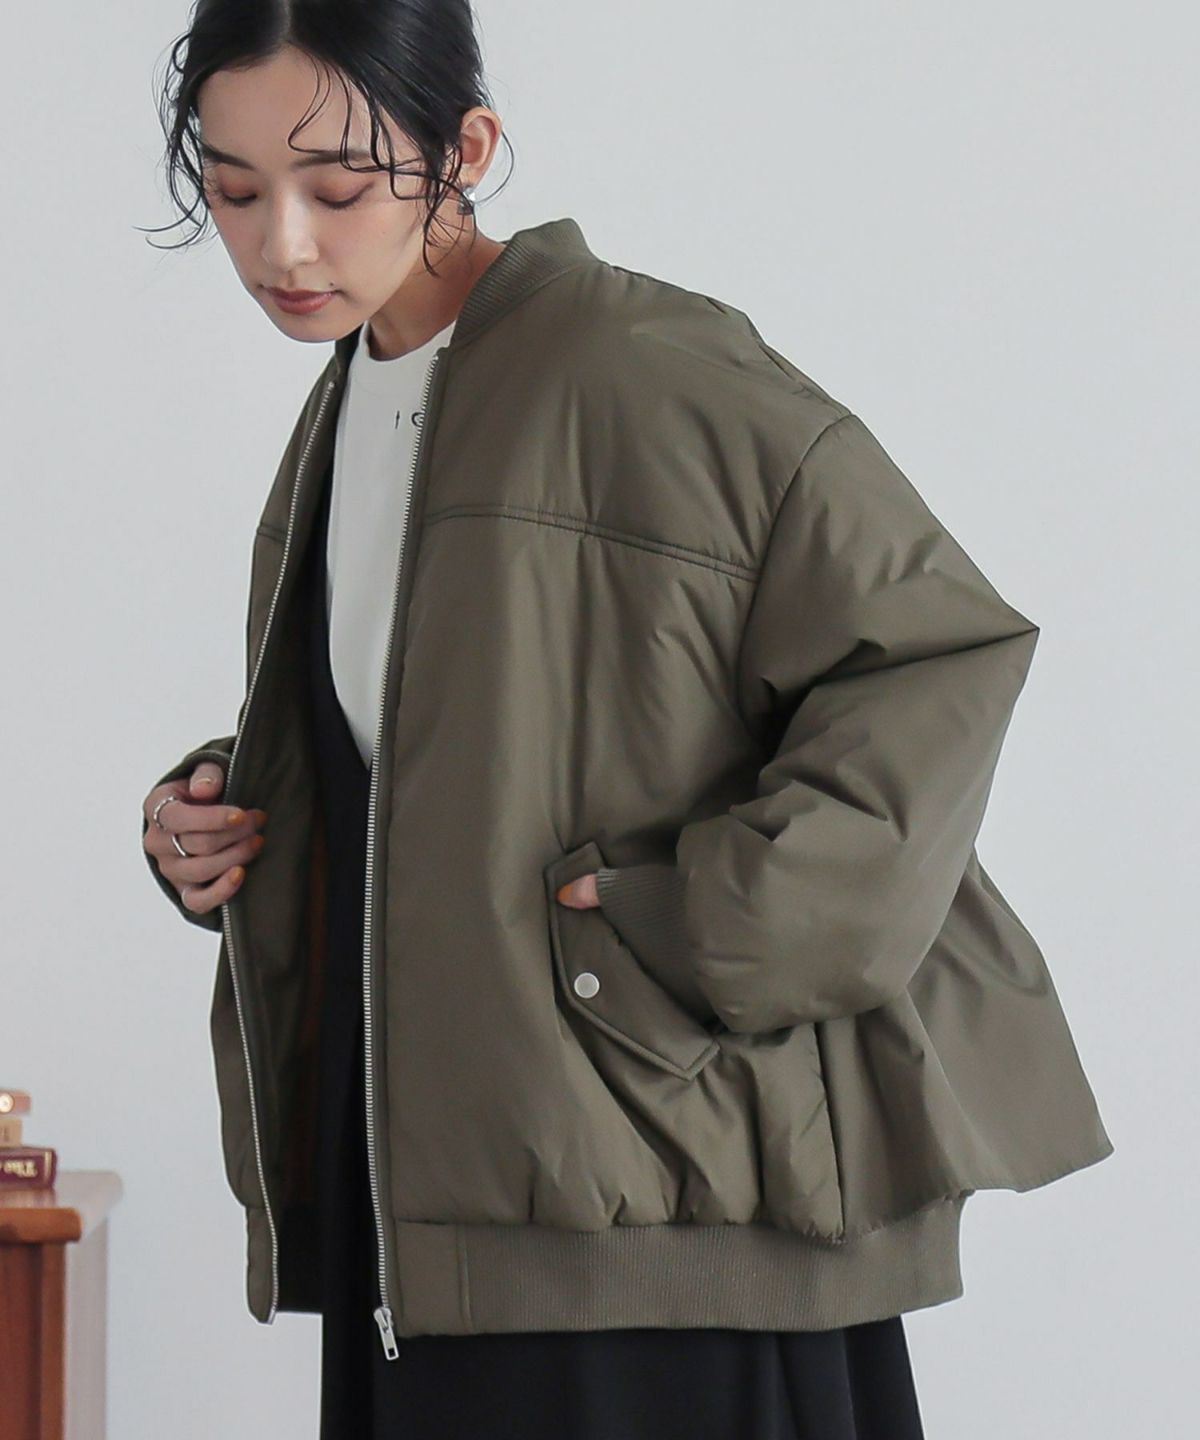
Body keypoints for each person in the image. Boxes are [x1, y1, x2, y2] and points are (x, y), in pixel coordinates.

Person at [139, 3, 1114, 1437]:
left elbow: (933, 651)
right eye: (234, 192)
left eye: (337, 188)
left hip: (657, 1226)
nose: (283, 245)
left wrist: (711, 923)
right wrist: (227, 811)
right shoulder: (359, 396)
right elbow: (456, 738)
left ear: (467, 149)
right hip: (445, 1222)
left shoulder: (643, 366)